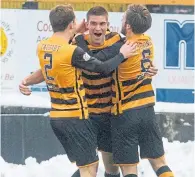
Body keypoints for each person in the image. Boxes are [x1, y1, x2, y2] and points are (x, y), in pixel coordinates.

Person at [19, 5, 158, 177]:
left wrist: (150, 68)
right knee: (88, 167)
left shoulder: (117, 40)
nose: (98, 28)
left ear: (108, 25)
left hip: (108, 115)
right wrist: (28, 80)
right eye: (93, 23)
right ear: (87, 24)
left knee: (111, 167)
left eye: (102, 24)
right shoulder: (76, 43)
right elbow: (54, 65)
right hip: (86, 116)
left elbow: (136, 58)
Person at [99, 4, 174, 177]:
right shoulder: (148, 41)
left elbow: (103, 66)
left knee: (129, 168)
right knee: (160, 162)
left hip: (125, 112)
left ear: (128, 26)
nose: (122, 20)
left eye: (123, 17)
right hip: (147, 109)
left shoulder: (122, 48)